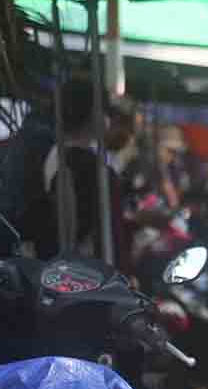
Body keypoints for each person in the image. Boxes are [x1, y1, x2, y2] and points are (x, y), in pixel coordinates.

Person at [15, 78, 130, 262]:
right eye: (106, 111)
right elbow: (107, 236)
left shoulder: (47, 154)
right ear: (95, 115)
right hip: (88, 274)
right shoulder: (94, 171)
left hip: (49, 267)